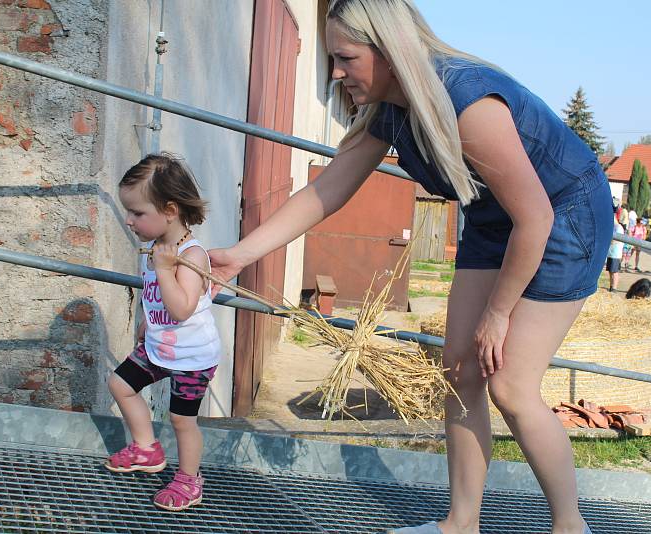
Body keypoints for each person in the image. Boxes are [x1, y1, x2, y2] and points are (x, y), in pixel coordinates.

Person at [209, 2, 610, 532]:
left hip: (560, 217)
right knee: (457, 370)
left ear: (390, 50)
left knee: (510, 385)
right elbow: (327, 189)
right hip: (494, 216)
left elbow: (534, 217)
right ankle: (461, 523)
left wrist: (498, 313)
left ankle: (570, 525)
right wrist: (240, 255)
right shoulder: (390, 108)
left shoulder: (467, 102)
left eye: (346, 58)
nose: (336, 73)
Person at [106, 154, 221, 511]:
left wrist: (166, 268)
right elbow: (157, 299)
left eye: (137, 213)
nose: (129, 221)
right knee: (120, 385)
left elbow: (182, 307)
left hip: (192, 358)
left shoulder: (191, 255)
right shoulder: (157, 249)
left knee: (181, 420)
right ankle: (146, 448)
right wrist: (146, 322)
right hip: (158, 345)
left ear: (170, 210)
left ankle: (189, 481)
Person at [605, 214, 624, 292]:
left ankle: (614, 288)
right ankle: (611, 286)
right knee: (610, 271)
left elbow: (617, 240)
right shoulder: (613, 227)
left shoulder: (619, 228)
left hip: (616, 253)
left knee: (614, 271)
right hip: (610, 252)